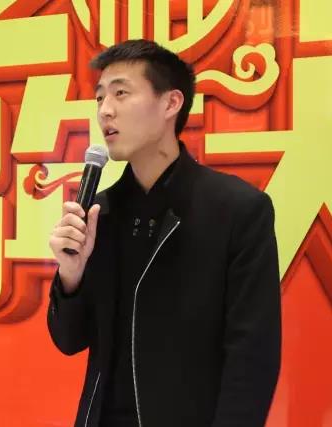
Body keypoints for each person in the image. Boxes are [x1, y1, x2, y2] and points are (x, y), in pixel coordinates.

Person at [47, 39, 281, 427]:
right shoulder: (100, 212)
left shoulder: (237, 210)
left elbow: (252, 356)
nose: (105, 110)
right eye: (100, 97)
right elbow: (70, 340)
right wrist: (71, 276)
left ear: (171, 103)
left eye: (121, 93)